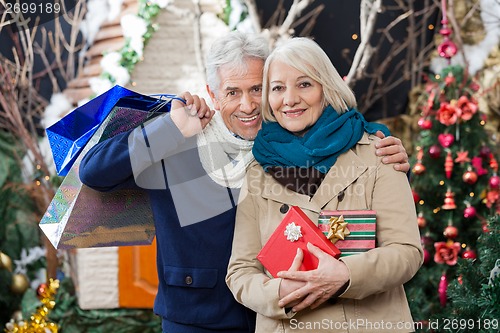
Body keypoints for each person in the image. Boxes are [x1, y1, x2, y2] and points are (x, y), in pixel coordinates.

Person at [79, 32, 410, 333]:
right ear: (213, 93)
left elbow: (346, 158)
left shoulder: (287, 141)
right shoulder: (179, 143)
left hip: (280, 315)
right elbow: (94, 172)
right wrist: (170, 128)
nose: (248, 105)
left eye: (257, 89)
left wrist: (386, 148)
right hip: (197, 317)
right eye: (232, 92)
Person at [225, 37, 423, 333]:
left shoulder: (378, 152)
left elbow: (407, 251)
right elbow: (240, 272)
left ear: (327, 89)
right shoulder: (258, 170)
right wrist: (277, 293)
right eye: (278, 88)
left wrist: (345, 274)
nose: (289, 99)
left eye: (304, 84)